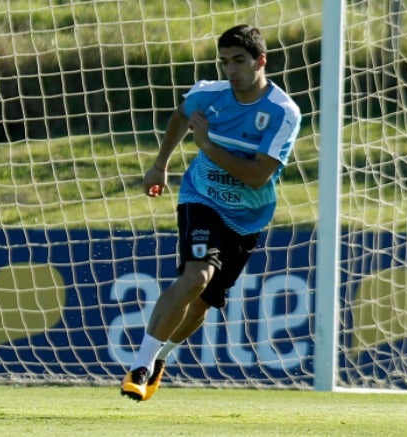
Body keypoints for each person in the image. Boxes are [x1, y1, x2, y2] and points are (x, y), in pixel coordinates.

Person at [120, 24, 302, 401]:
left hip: (248, 215)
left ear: (261, 61)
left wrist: (204, 143)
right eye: (224, 62)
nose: (231, 70)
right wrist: (160, 164)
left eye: (239, 61)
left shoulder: (283, 112)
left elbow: (256, 176)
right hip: (201, 195)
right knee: (196, 277)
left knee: (203, 303)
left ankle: (160, 360)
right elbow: (180, 114)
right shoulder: (209, 95)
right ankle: (140, 364)